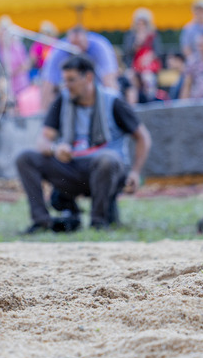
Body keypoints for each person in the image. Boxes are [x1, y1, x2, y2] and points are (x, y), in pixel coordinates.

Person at [16, 55, 151, 233]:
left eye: (71, 80)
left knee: (107, 159)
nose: (67, 85)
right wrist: (55, 149)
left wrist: (135, 172)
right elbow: (43, 140)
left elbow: (143, 137)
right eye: (64, 80)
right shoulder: (62, 100)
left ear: (88, 77)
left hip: (108, 170)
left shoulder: (113, 101)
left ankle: (99, 221)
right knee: (25, 158)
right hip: (71, 167)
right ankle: (42, 221)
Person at [40, 25, 119, 109]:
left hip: (97, 93)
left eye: (79, 44)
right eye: (73, 44)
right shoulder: (60, 51)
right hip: (70, 97)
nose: (76, 49)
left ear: (86, 40)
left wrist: (114, 108)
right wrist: (46, 113)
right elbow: (48, 84)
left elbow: (110, 81)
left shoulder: (100, 47)